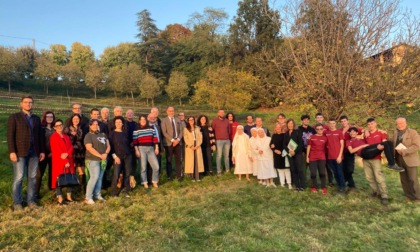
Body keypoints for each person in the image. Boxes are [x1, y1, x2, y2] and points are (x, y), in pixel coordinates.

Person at [7, 96, 45, 211]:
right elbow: (10, 135)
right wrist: (12, 151)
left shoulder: (36, 118)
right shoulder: (15, 117)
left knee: (32, 177)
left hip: (34, 152)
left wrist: (42, 150)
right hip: (20, 151)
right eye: (26, 102)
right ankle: (17, 202)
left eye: (30, 102)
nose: (28, 104)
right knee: (19, 177)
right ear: (21, 104)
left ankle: (31, 201)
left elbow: (40, 136)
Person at [361, 118, 390, 205]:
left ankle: (384, 195)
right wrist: (365, 130)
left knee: (379, 177)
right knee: (369, 177)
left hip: (376, 159)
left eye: (372, 123)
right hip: (366, 159)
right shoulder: (366, 134)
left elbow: (385, 144)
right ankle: (375, 192)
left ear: (376, 124)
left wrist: (385, 155)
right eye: (369, 124)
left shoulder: (381, 133)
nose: (370, 125)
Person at [393, 118, 420, 203]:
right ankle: (409, 196)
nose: (400, 125)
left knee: (413, 179)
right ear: (396, 124)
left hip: (410, 159)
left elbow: (416, 145)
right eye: (398, 123)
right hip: (399, 159)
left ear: (406, 123)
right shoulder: (395, 132)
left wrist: (404, 151)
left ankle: (417, 198)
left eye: (402, 123)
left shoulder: (413, 132)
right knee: (404, 179)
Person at [84, 119, 110, 204]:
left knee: (99, 178)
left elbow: (108, 146)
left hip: (103, 159)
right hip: (92, 159)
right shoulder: (88, 136)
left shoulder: (103, 135)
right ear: (90, 126)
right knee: (94, 177)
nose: (95, 126)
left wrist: (106, 153)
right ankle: (88, 197)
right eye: (93, 124)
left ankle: (97, 194)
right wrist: (100, 156)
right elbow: (89, 148)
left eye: (96, 124)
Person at [50, 119, 75, 205]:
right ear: (54, 127)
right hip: (59, 162)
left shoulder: (66, 136)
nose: (59, 126)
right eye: (57, 125)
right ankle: (60, 199)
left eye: (60, 124)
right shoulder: (53, 137)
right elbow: (56, 150)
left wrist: (67, 154)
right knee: (59, 179)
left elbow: (71, 147)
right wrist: (65, 161)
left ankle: (69, 197)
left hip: (69, 160)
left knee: (69, 179)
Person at [133, 115, 160, 188]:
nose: (143, 120)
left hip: (151, 149)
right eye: (141, 119)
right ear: (139, 121)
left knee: (156, 166)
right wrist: (136, 150)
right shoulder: (136, 129)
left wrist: (156, 147)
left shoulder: (151, 128)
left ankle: (154, 181)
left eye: (144, 119)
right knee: (143, 167)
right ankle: (144, 182)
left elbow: (155, 138)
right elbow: (135, 141)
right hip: (141, 149)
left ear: (146, 120)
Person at [109, 116, 132, 197]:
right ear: (114, 124)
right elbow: (110, 146)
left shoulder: (125, 133)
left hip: (127, 156)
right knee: (116, 174)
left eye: (120, 122)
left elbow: (129, 144)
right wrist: (114, 156)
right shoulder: (112, 133)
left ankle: (126, 190)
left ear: (122, 123)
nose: (118, 124)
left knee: (127, 174)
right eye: (116, 122)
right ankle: (114, 192)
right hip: (117, 156)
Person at [64, 114, 86, 194]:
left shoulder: (81, 129)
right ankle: (71, 189)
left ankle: (82, 188)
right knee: (72, 169)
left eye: (77, 119)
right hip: (71, 151)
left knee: (81, 170)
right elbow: (65, 140)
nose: (76, 120)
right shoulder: (67, 129)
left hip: (80, 152)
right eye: (74, 119)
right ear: (72, 120)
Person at [35, 111, 55, 199]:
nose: (49, 118)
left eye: (51, 117)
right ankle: (36, 192)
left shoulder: (55, 129)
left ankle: (51, 189)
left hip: (53, 154)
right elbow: (39, 141)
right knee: (39, 174)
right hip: (43, 154)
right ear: (44, 118)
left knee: (52, 173)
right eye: (47, 117)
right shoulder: (41, 128)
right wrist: (41, 152)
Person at [161, 107, 184, 181]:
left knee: (178, 160)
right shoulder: (164, 120)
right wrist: (172, 140)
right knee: (169, 160)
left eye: (172, 111)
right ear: (167, 111)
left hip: (178, 142)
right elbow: (164, 132)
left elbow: (181, 131)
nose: (171, 112)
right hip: (168, 143)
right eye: (170, 111)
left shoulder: (178, 120)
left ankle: (178, 175)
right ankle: (169, 176)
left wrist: (177, 140)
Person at [339, 115, 361, 191]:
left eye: (344, 121)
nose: (343, 122)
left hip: (350, 152)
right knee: (344, 169)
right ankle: (351, 185)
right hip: (341, 152)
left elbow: (363, 131)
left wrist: (381, 131)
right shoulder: (340, 130)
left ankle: (343, 181)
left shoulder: (352, 128)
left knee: (350, 170)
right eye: (341, 121)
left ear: (347, 121)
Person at [324, 118, 345, 194]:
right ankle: (339, 186)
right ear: (328, 124)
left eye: (333, 123)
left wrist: (339, 156)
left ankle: (342, 188)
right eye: (330, 123)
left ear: (335, 124)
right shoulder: (326, 133)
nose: (331, 125)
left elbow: (342, 145)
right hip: (330, 157)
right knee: (335, 172)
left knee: (339, 172)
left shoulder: (339, 132)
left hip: (338, 157)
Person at [306, 124, 328, 194]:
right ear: (315, 130)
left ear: (323, 129)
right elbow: (309, 147)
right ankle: (314, 187)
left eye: (321, 129)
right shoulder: (311, 137)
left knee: (322, 173)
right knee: (313, 173)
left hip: (322, 157)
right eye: (317, 129)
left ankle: (323, 187)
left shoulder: (325, 138)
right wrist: (307, 157)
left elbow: (327, 147)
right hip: (312, 157)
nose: (319, 130)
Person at [284, 119, 305, 191]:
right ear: (287, 125)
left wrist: (295, 151)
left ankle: (302, 186)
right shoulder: (286, 133)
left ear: (294, 124)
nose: (290, 125)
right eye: (289, 123)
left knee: (299, 169)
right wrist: (289, 151)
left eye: (291, 123)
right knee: (293, 170)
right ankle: (297, 186)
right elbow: (284, 145)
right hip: (290, 154)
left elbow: (300, 143)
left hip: (297, 153)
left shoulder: (298, 132)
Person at [270, 123, 291, 189]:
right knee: (280, 170)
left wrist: (282, 152)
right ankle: (282, 183)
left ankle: (289, 183)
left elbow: (287, 144)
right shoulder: (274, 135)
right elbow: (271, 144)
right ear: (275, 128)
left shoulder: (284, 135)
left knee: (286, 170)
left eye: (279, 127)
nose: (278, 128)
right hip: (277, 155)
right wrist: (274, 149)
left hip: (284, 154)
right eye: (277, 127)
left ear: (281, 128)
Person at [183, 116, 204, 181]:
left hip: (197, 145)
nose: (191, 121)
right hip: (190, 147)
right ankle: (192, 177)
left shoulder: (197, 128)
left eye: (192, 120)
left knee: (197, 161)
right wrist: (191, 146)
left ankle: (197, 176)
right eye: (190, 120)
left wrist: (198, 145)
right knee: (191, 161)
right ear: (188, 121)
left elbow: (200, 137)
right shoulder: (185, 129)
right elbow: (185, 138)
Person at [211, 109, 231, 175]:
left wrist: (228, 138)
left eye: (223, 112)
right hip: (219, 140)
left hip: (227, 140)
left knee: (226, 156)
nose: (222, 113)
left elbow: (229, 130)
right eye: (220, 112)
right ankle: (219, 171)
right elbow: (212, 130)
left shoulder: (227, 121)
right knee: (219, 156)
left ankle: (227, 170)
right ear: (218, 113)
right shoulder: (215, 121)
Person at [299, 114, 316, 184]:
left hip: (312, 152)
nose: (306, 121)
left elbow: (315, 140)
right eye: (305, 120)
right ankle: (303, 183)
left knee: (313, 169)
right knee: (303, 169)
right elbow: (298, 141)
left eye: (307, 120)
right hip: (303, 152)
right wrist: (301, 151)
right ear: (302, 121)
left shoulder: (312, 130)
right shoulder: (298, 129)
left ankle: (313, 183)